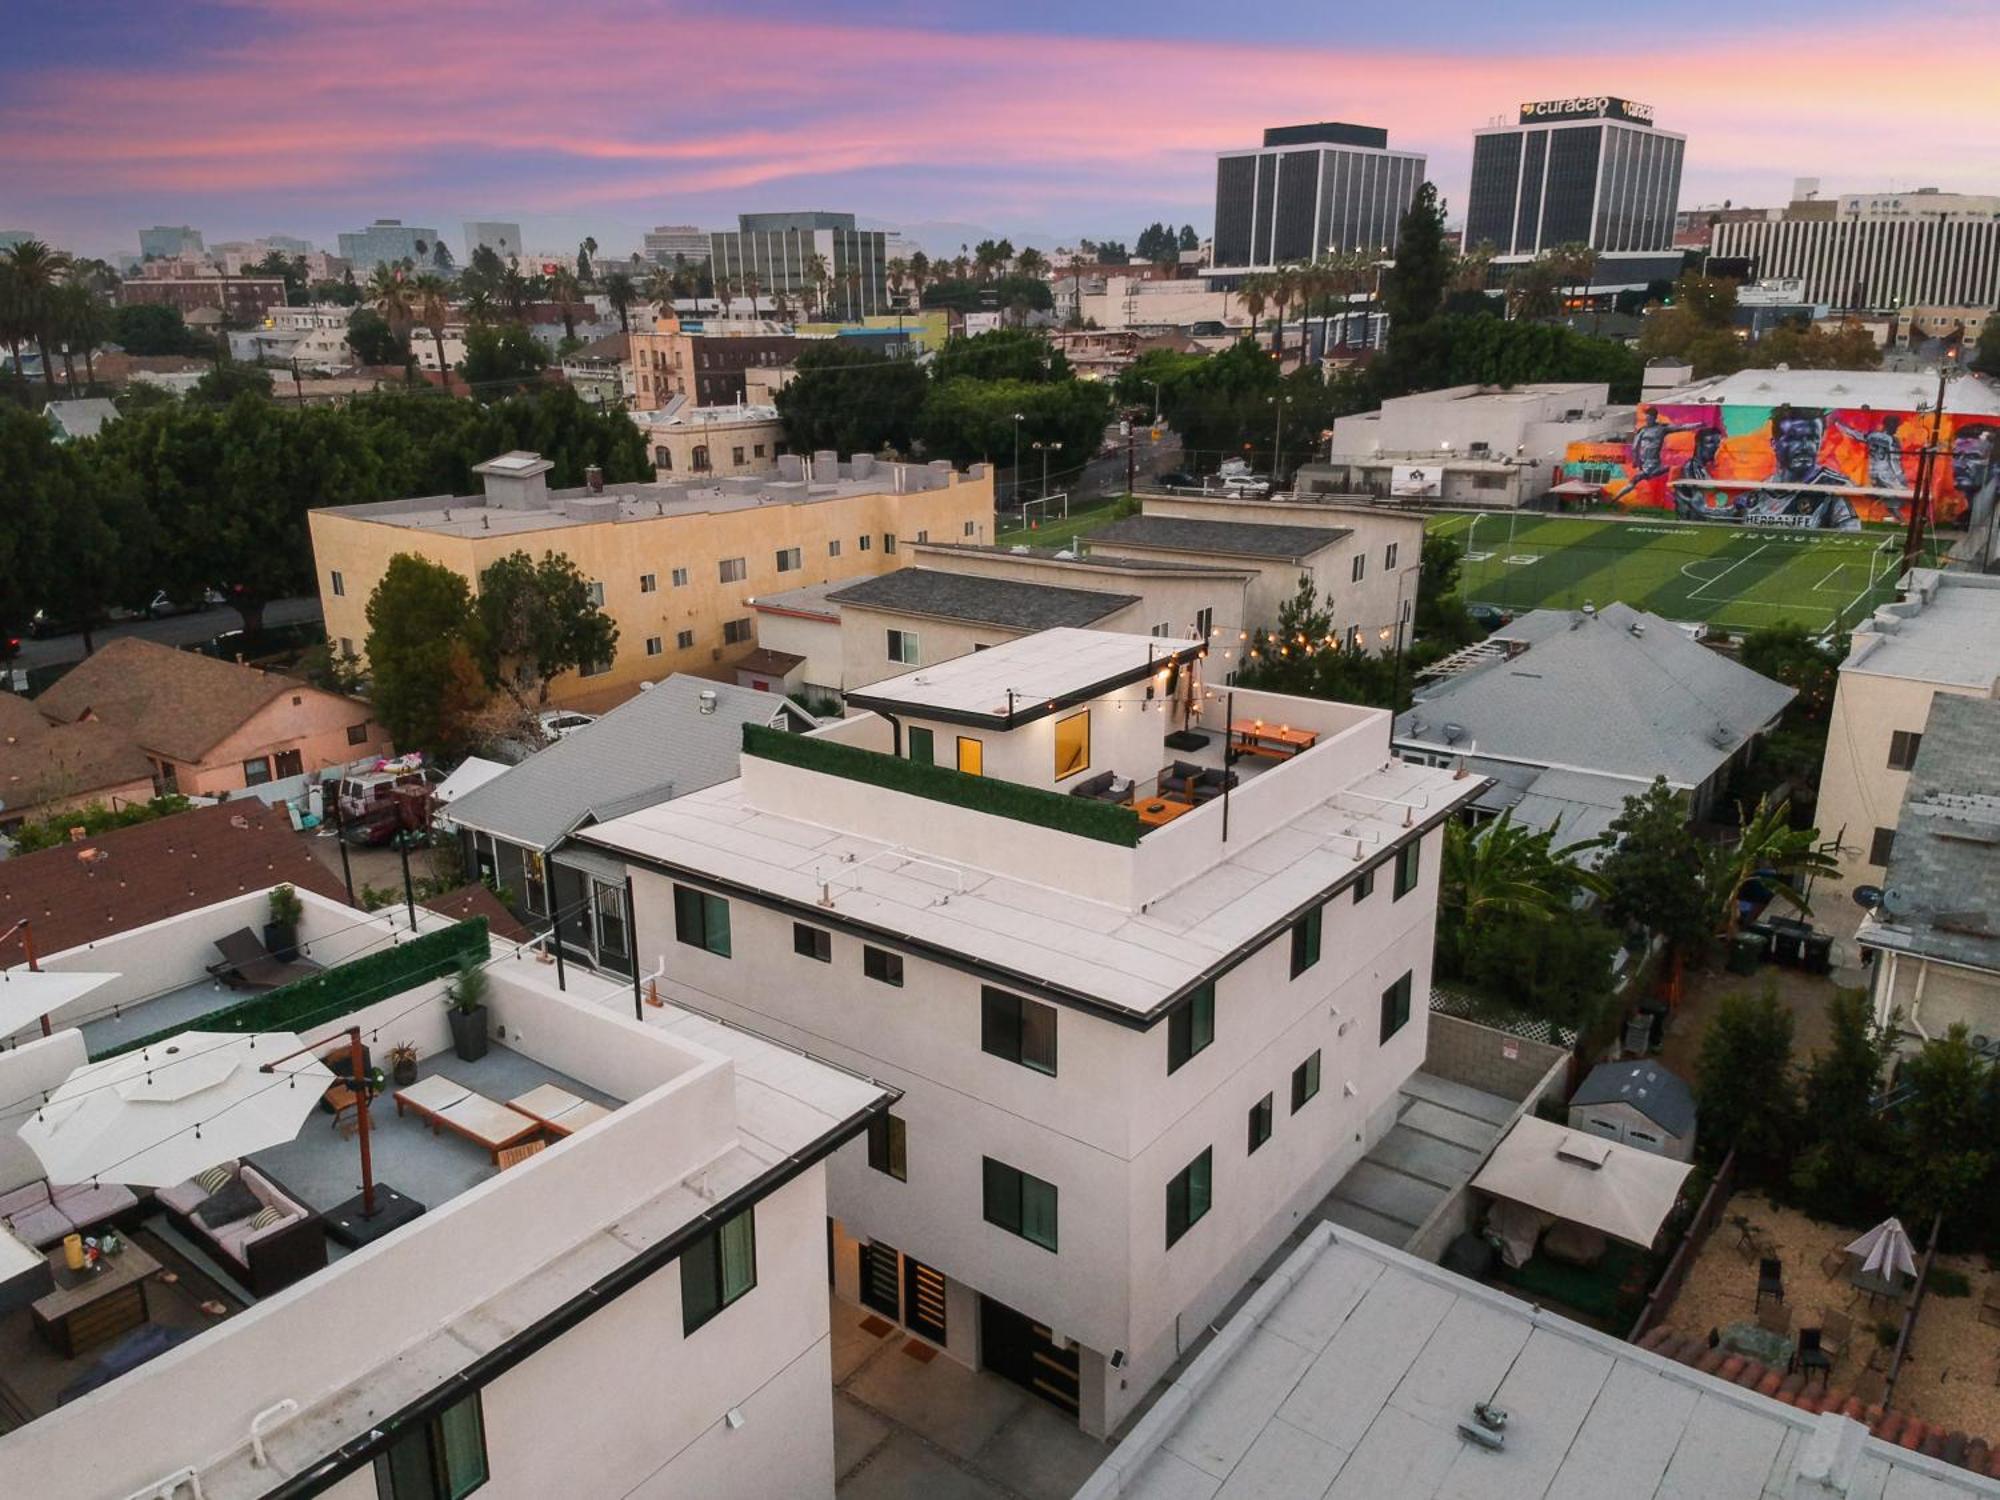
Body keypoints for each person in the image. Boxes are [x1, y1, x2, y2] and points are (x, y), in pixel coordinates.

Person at [1741, 407, 1860, 530]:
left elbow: (1851, 536)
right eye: (1794, 438)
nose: (1805, 446)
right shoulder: (1756, 493)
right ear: (1774, 444)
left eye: (1812, 438)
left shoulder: (1836, 487)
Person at [1607, 406, 1706, 503]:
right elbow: (1635, 447)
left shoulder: (1662, 428)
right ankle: (1614, 500)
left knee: (1671, 469)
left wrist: (1698, 424)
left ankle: (1613, 500)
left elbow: (1681, 427)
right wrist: (1637, 461)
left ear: (1654, 418)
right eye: (1646, 418)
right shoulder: (1643, 430)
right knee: (1636, 479)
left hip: (1654, 464)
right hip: (1645, 463)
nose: (1647, 420)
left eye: (1649, 418)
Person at [1832, 412, 1911, 518]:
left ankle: (1898, 518)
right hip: (1886, 473)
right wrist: (1900, 477)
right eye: (1896, 426)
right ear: (1891, 425)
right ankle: (1904, 519)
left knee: (1887, 497)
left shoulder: (1872, 435)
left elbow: (1855, 434)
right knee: (1903, 494)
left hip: (1873, 472)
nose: (1896, 429)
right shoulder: (1893, 440)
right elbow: (1894, 460)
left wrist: (1839, 424)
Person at [1672, 426, 1725, 519]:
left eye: (1718, 443)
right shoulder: (1690, 469)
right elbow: (1699, 507)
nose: (1716, 447)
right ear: (1698, 444)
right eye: (1710, 442)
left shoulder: (1701, 469)